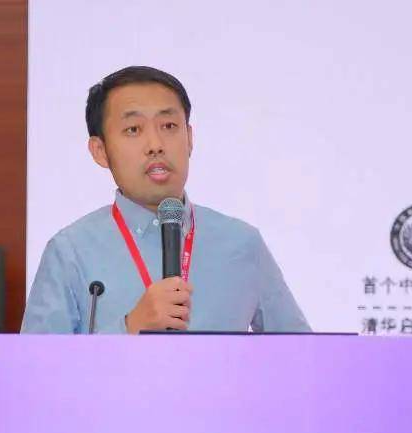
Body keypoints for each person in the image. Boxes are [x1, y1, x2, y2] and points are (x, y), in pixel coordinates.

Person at [21, 66, 310, 334]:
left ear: (190, 138)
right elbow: (36, 367)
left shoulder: (242, 244)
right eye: (133, 129)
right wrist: (128, 329)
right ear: (100, 151)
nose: (156, 145)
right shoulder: (70, 252)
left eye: (169, 126)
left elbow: (303, 356)